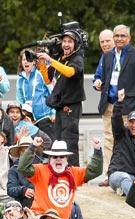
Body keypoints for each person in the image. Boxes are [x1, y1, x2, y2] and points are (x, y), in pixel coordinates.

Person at [95, 25, 135, 180]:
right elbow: (104, 78)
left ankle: (133, 175)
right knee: (109, 140)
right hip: (109, 104)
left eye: (122, 36)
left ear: (129, 38)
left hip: (129, 106)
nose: (119, 38)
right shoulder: (107, 55)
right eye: (116, 35)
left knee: (130, 142)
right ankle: (109, 174)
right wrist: (98, 83)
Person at [18, 136, 102, 219]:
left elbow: (94, 171)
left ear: (67, 159)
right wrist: (33, 147)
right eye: (54, 157)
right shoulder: (40, 170)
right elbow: (23, 168)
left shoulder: (74, 173)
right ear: (50, 159)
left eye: (62, 157)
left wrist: (97, 150)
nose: (58, 159)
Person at [36, 29, 85, 166]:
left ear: (75, 44)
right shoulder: (60, 58)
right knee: (58, 140)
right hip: (59, 105)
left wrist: (50, 60)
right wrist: (41, 63)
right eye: (64, 41)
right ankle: (61, 171)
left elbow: (70, 72)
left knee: (69, 139)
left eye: (70, 41)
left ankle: (73, 172)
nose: (66, 44)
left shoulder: (77, 58)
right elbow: (47, 80)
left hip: (72, 105)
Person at [16, 50, 54, 137]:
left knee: (48, 145)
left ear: (34, 61)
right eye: (23, 59)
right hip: (29, 120)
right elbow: (19, 99)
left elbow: (52, 93)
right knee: (34, 147)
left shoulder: (41, 74)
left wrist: (53, 113)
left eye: (28, 59)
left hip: (44, 117)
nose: (26, 62)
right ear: (21, 62)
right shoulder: (20, 79)